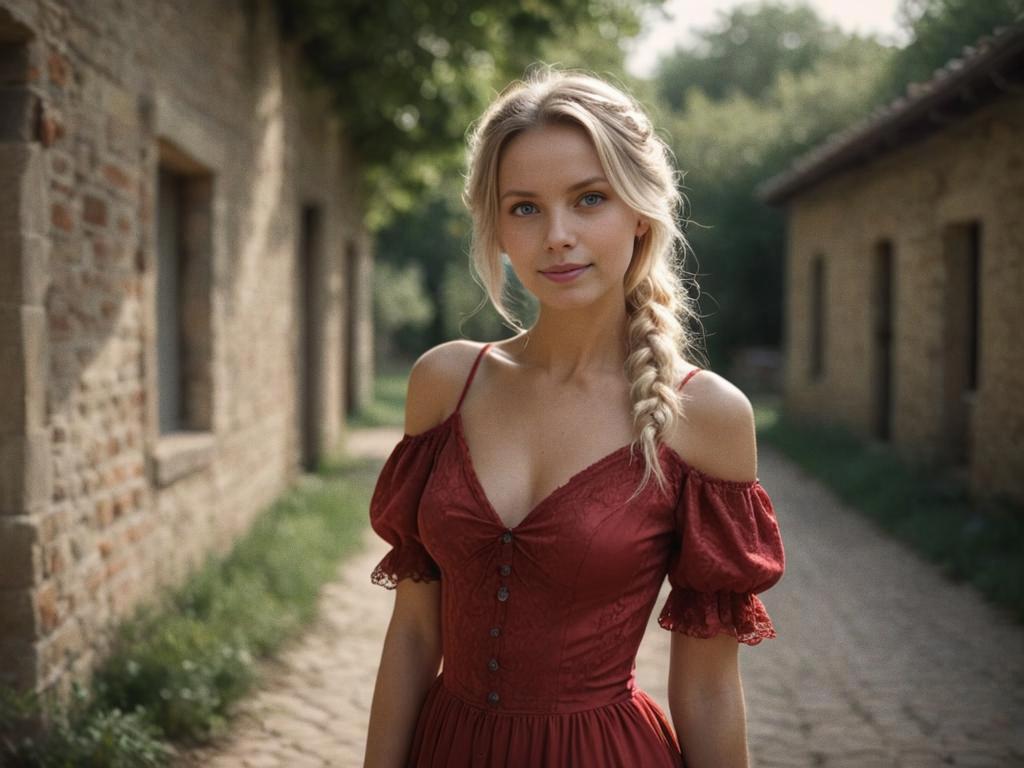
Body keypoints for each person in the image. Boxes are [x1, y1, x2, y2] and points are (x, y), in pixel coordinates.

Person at [362, 67, 785, 768]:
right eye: (524, 207)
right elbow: (412, 634)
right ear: (495, 227)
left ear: (641, 211)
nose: (557, 235)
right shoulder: (445, 382)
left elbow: (708, 688)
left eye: (590, 198)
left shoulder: (705, 415)